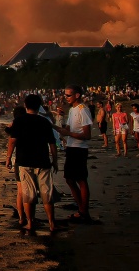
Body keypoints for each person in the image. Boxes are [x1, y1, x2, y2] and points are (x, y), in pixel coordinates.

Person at [5, 95, 59, 233]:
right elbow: (52, 144)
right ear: (39, 105)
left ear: (25, 105)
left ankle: (29, 223)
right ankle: (52, 224)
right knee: (47, 193)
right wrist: (55, 160)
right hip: (43, 161)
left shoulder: (19, 121)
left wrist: (8, 158)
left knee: (28, 194)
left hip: (24, 161)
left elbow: (12, 141)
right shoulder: (44, 122)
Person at [55, 85, 93, 222]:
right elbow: (66, 129)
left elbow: (87, 135)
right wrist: (57, 121)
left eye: (68, 95)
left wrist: (68, 133)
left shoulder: (83, 110)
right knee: (69, 179)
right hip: (71, 147)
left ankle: (84, 211)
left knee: (81, 180)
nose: (66, 97)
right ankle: (81, 209)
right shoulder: (72, 110)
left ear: (77, 95)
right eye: (65, 95)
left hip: (79, 148)